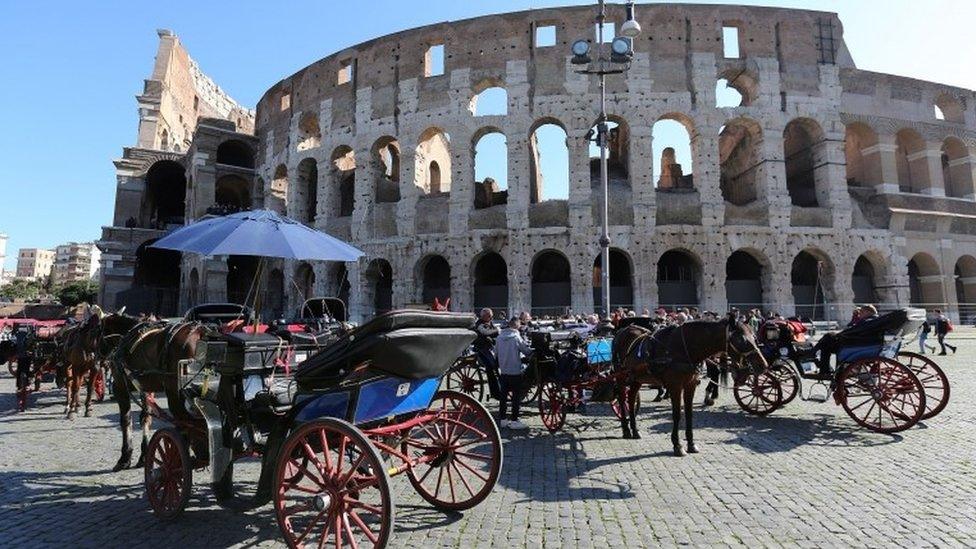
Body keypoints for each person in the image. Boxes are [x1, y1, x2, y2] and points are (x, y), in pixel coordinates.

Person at [495, 317, 532, 430]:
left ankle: (503, 419)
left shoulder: (499, 337)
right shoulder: (516, 337)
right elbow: (526, 351)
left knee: (503, 396)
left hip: (504, 371)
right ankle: (515, 420)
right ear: (517, 325)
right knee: (516, 397)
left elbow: (496, 353)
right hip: (515, 371)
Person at [473, 308, 501, 398]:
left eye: (490, 315)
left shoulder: (490, 323)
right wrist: (498, 331)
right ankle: (497, 391)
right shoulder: (480, 324)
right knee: (494, 367)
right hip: (482, 349)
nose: (490, 317)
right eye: (488, 315)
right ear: (483, 316)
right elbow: (486, 332)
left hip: (491, 347)